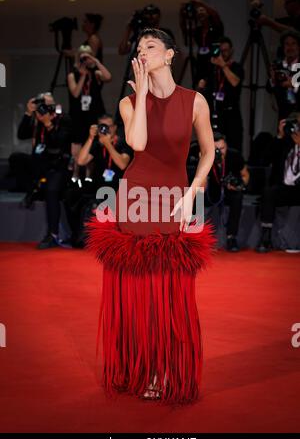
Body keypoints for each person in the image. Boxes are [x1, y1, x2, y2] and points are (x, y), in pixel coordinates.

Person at [86, 28, 217, 404]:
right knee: (137, 295)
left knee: (169, 295)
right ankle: (142, 369)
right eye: (139, 48)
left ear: (171, 55)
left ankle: (164, 368)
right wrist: (141, 94)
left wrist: (194, 190)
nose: (143, 52)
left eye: (152, 46)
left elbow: (207, 152)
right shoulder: (129, 102)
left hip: (175, 199)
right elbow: (138, 144)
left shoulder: (195, 101)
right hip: (136, 198)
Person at [64, 114, 133, 247]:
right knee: (71, 195)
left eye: (107, 126)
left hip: (119, 187)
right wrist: (90, 138)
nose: (105, 129)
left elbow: (122, 164)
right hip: (98, 186)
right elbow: (81, 160)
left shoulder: (124, 143)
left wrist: (108, 144)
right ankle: (79, 236)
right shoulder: (97, 145)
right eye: (102, 126)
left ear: (114, 128)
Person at [17, 92, 72, 249]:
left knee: (51, 189)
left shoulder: (63, 120)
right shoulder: (36, 120)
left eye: (46, 104)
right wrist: (28, 113)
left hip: (58, 166)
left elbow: (58, 142)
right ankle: (33, 189)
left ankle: (53, 234)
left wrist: (48, 123)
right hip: (39, 163)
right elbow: (21, 134)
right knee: (16, 159)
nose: (43, 108)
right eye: (41, 104)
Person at [67, 45, 112, 184]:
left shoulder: (96, 73)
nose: (85, 60)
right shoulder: (72, 74)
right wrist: (83, 75)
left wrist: (96, 61)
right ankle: (75, 174)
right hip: (79, 116)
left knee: (91, 144)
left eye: (88, 56)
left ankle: (89, 175)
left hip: (93, 114)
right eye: (83, 56)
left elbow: (108, 77)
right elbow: (75, 93)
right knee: (77, 146)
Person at [256, 113, 300, 252]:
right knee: (269, 192)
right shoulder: (284, 143)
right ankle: (265, 237)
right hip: (284, 187)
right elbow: (264, 159)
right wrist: (280, 136)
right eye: (296, 124)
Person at [205, 132, 250, 252]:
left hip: (230, 190)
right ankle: (197, 237)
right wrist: (204, 161)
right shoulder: (205, 156)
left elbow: (245, 175)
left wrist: (239, 185)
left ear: (226, 146)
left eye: (222, 148)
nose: (220, 152)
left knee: (238, 197)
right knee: (198, 197)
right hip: (211, 190)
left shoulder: (235, 155)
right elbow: (201, 184)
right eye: (216, 149)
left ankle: (231, 237)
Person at [199, 37, 244, 151]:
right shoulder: (211, 68)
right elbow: (201, 86)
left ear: (231, 51)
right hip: (215, 113)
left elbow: (235, 82)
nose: (223, 53)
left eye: (225, 50)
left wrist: (223, 65)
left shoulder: (236, 67)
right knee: (212, 146)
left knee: (233, 147)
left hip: (231, 114)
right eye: (220, 50)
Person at [267, 30, 300, 121]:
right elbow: (269, 88)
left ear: (298, 46)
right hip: (283, 114)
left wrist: (293, 85)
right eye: (287, 44)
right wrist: (272, 80)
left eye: (293, 44)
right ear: (283, 47)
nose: (290, 47)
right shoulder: (277, 65)